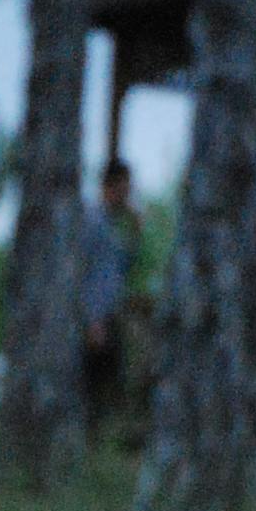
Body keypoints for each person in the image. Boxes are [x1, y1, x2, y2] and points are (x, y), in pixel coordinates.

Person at [82, 156, 141, 435]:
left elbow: (120, 268)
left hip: (109, 318)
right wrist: (92, 320)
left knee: (112, 386)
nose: (128, 193)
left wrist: (135, 232)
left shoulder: (113, 226)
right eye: (125, 186)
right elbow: (87, 273)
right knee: (92, 389)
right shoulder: (93, 221)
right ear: (111, 185)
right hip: (96, 322)